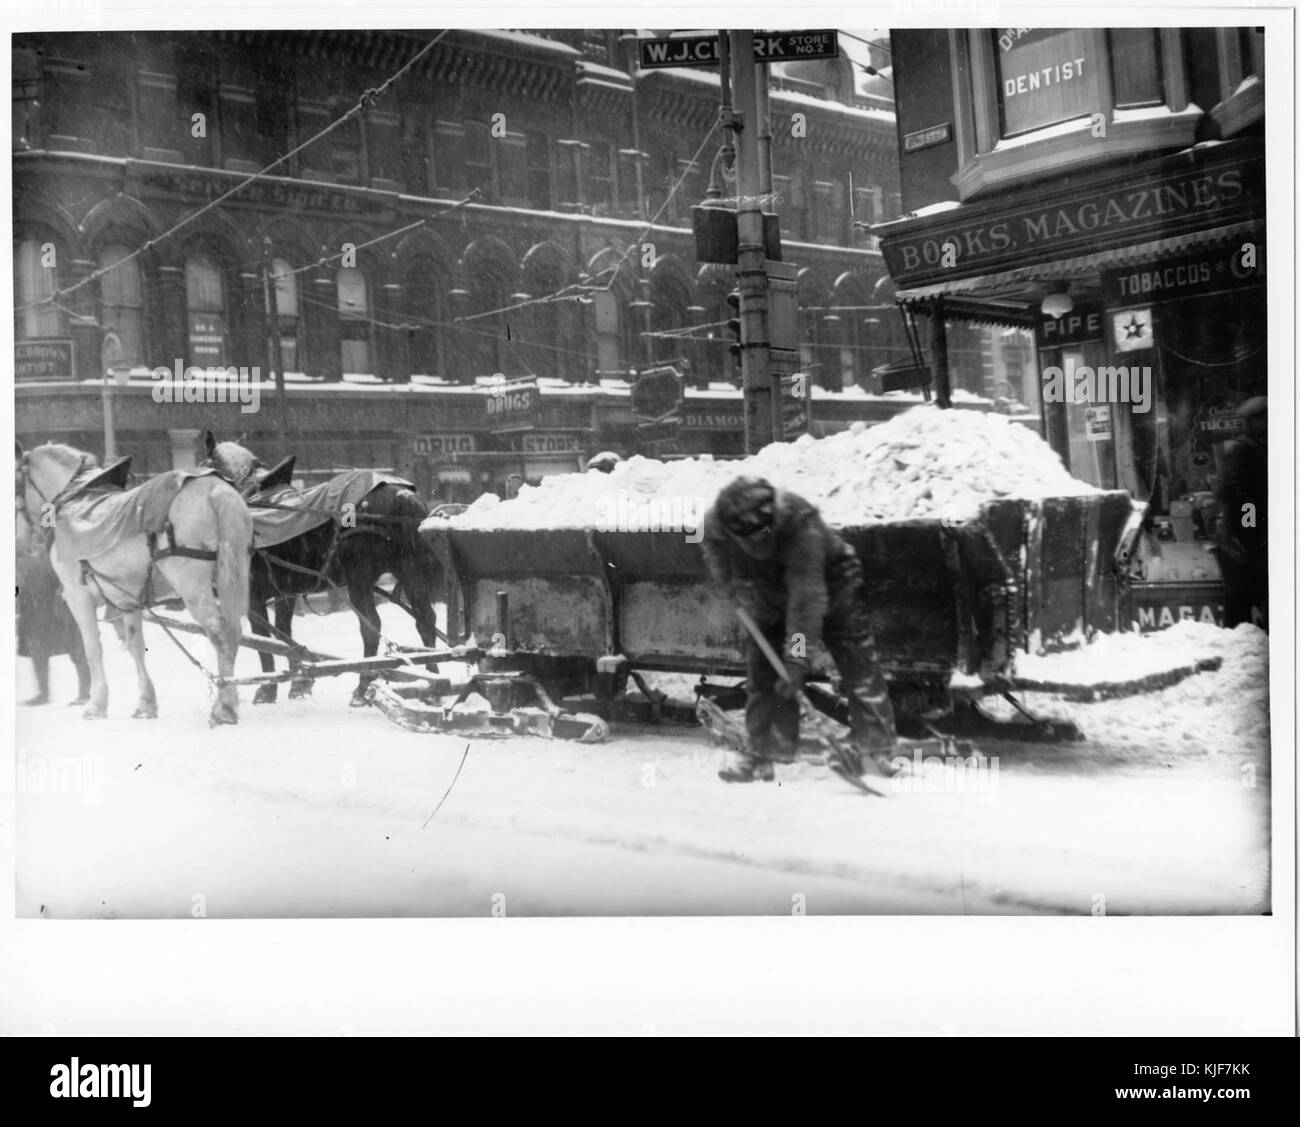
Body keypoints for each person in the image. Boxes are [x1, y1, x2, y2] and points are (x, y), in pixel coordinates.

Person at [699, 476, 898, 783]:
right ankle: (763, 753)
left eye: (766, 538)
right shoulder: (717, 521)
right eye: (752, 542)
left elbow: (805, 603)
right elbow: (709, 543)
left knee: (858, 665)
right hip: (768, 588)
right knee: (763, 672)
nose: (760, 546)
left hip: (832, 585)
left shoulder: (802, 528)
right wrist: (725, 579)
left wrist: (795, 663)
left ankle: (876, 751)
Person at [16, 504, 90, 706]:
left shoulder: (49, 511)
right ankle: (43, 693)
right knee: (37, 651)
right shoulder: (19, 544)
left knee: (77, 648)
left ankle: (86, 691)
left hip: (59, 603)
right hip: (32, 606)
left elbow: (53, 532)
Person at [1214, 396, 1268, 629]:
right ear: (1252, 422)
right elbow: (1233, 490)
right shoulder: (1243, 450)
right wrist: (1252, 526)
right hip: (1242, 541)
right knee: (1240, 600)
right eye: (1263, 418)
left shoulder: (1262, 447)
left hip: (1251, 536)